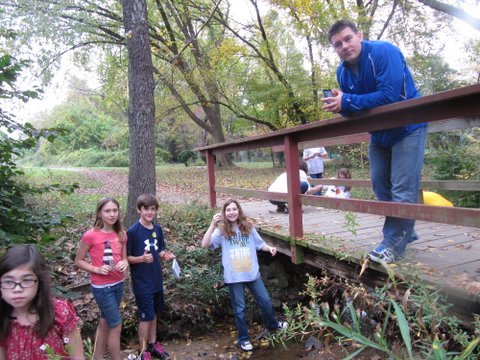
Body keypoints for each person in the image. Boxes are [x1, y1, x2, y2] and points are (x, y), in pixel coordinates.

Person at [322, 19, 428, 263]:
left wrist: (348, 101)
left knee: (402, 189)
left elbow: (391, 96)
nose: (345, 46)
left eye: (348, 38)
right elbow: (356, 108)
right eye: (338, 44)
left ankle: (392, 244)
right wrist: (341, 105)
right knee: (381, 187)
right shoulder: (342, 72)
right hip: (378, 134)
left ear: (359, 35)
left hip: (407, 127)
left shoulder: (384, 52)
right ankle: (406, 231)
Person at [201, 199, 288, 352]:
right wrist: (212, 224)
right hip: (234, 277)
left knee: (266, 301)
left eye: (234, 209)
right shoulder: (221, 231)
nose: (232, 212)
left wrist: (269, 248)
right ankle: (243, 339)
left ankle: (273, 324)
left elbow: (259, 244)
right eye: (228, 210)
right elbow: (205, 244)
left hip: (252, 273)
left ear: (239, 211)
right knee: (240, 309)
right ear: (224, 213)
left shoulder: (248, 226)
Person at [0, 244, 84, 360]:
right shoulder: (3, 321)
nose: (17, 289)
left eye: (26, 280)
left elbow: (77, 356)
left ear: (39, 282)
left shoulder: (60, 312)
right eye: (9, 282)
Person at [75, 197, 129, 360]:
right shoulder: (91, 235)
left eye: (115, 210)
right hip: (102, 288)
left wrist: (124, 263)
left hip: (118, 284)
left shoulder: (121, 233)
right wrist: (96, 269)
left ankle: (97, 357)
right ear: (99, 213)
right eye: (107, 211)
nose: (112, 214)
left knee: (105, 322)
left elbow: (124, 258)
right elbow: (78, 261)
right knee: (116, 324)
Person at [127, 194, 175, 360]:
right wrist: (141, 258)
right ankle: (143, 351)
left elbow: (159, 249)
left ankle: (153, 345)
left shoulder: (157, 229)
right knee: (145, 316)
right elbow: (126, 258)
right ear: (139, 210)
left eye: (153, 209)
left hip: (156, 279)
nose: (149, 212)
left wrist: (165, 256)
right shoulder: (132, 232)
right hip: (142, 282)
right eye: (146, 209)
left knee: (154, 313)